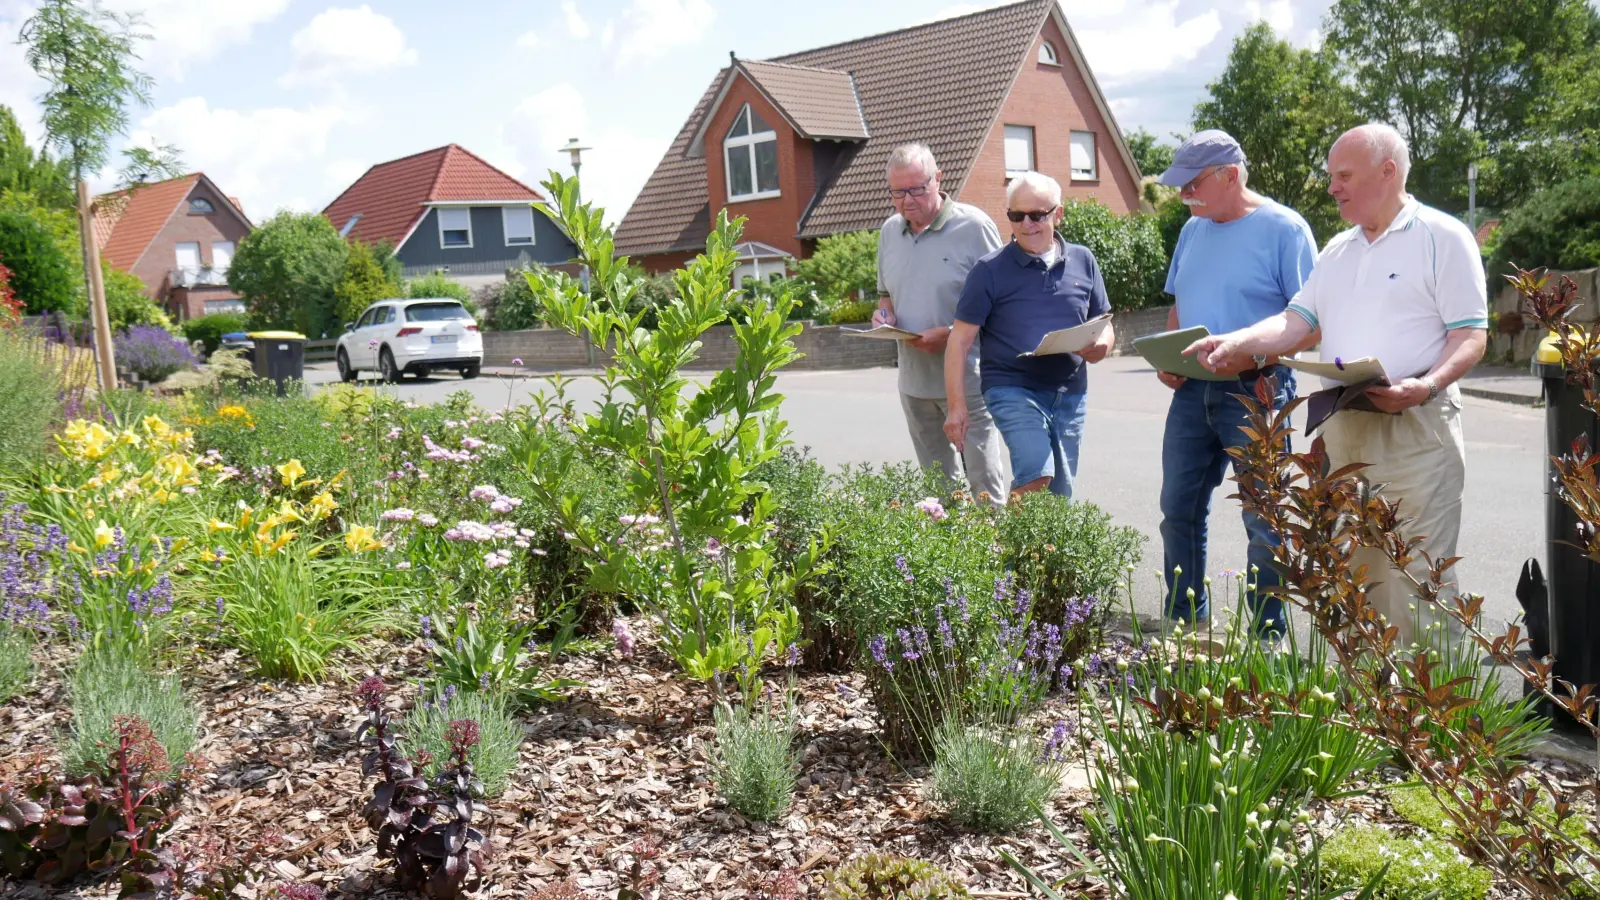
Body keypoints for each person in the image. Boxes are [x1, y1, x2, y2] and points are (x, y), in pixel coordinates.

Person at [1185, 123, 1488, 646]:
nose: (1332, 187)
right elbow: (1295, 322)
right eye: (1331, 176)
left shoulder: (1443, 237)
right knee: (1358, 578)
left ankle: (1426, 721)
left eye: (1343, 175)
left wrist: (1428, 385)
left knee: (1417, 574)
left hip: (1416, 425)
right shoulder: (1338, 250)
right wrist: (1236, 342)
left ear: (1387, 171)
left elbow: (1471, 335)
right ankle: (1367, 711)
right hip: (1346, 427)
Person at [1152, 130, 1318, 636]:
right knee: (1177, 509)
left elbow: (1311, 322)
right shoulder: (1192, 230)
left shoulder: (1285, 229)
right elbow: (1179, 303)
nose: (1184, 196)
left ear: (1231, 175)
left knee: (1264, 520)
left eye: (1192, 184)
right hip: (1192, 391)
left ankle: (1266, 641)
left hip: (1257, 389)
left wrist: (1249, 351)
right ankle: (1185, 626)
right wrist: (1167, 353)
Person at [942, 171, 1115, 498]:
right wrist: (956, 407)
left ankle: (1027, 549)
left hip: (1070, 391)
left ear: (1058, 214)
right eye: (1016, 215)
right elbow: (959, 340)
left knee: (1059, 497)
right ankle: (1010, 545)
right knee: (1037, 473)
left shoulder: (1083, 260)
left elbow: (1103, 320)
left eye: (1037, 215)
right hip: (1011, 387)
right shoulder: (989, 270)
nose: (1026, 224)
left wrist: (1103, 345)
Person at [875, 143, 1008, 501]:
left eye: (917, 189)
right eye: (898, 192)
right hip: (913, 383)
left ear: (939, 180)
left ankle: (994, 555)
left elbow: (1004, 308)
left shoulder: (975, 227)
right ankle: (951, 554)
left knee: (985, 485)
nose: (907, 201)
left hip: (969, 384)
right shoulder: (889, 231)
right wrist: (883, 314)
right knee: (939, 493)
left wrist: (951, 335)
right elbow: (884, 294)